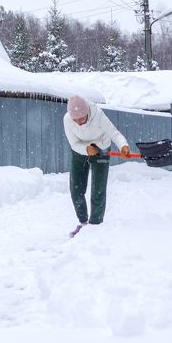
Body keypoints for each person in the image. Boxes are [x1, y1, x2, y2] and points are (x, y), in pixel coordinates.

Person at [63, 94, 131, 237]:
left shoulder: (97, 114)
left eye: (82, 118)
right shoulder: (68, 120)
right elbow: (74, 143)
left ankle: (95, 224)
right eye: (76, 120)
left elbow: (114, 133)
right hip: (80, 150)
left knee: (98, 189)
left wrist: (123, 146)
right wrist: (86, 149)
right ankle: (83, 222)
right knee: (76, 188)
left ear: (87, 111)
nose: (80, 122)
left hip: (102, 148)